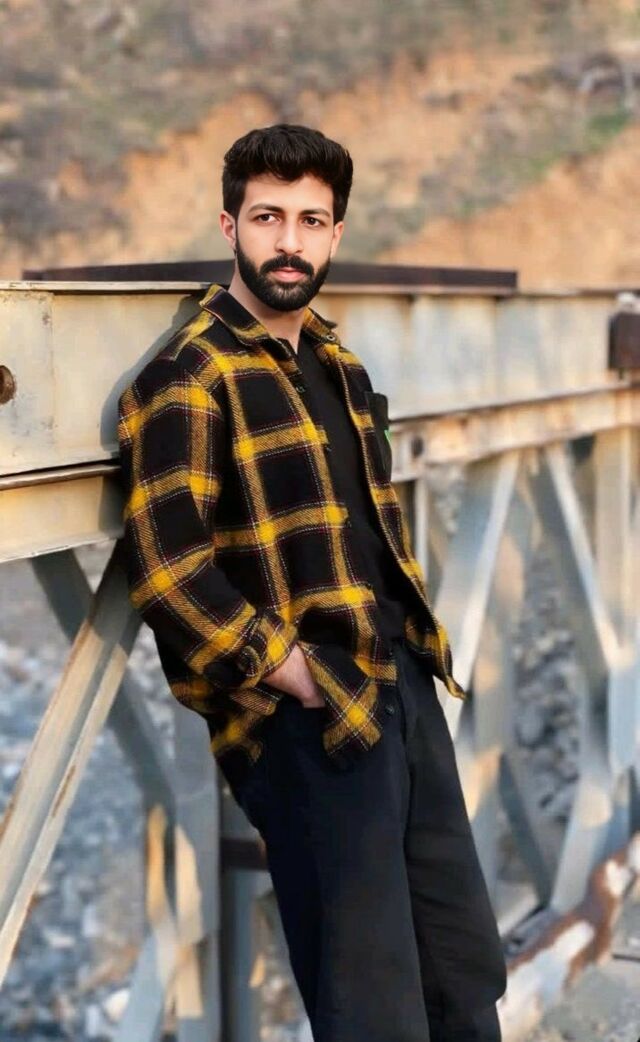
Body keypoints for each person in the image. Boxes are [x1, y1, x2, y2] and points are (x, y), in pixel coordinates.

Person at [117, 124, 507, 1042]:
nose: (288, 241)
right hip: (309, 721)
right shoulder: (189, 375)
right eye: (268, 218)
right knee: (371, 1006)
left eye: (310, 221)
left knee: (463, 970)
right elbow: (170, 570)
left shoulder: (340, 365)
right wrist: (294, 673)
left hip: (402, 689)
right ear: (230, 226)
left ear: (335, 234)